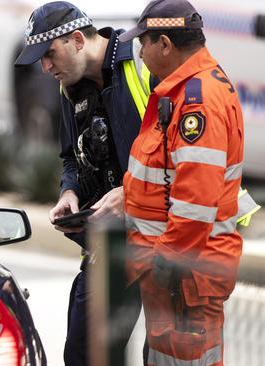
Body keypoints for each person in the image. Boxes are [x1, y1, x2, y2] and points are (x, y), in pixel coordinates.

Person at [14, 2, 150, 365]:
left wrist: (130, 193)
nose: (45, 68)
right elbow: (70, 157)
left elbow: (180, 153)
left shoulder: (143, 61)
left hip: (162, 240)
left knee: (165, 354)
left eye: (49, 54)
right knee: (83, 353)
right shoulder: (69, 85)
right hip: (110, 244)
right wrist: (69, 191)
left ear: (76, 40)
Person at [119, 0, 253, 364]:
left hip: (183, 278)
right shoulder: (186, 90)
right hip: (179, 277)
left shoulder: (198, 102)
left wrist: (166, 261)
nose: (140, 53)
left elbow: (195, 201)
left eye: (144, 43)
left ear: (164, 43)